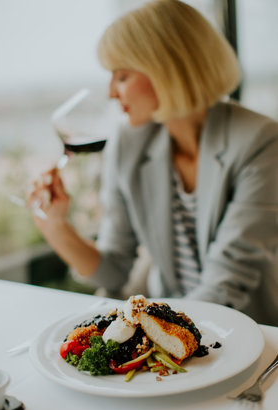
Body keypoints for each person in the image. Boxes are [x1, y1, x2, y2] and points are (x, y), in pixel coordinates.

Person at [29, 0, 278, 326]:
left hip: (244, 335)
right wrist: (57, 227)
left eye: (122, 76)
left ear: (167, 69)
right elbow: (114, 269)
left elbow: (226, 282)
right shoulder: (129, 142)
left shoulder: (261, 142)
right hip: (167, 336)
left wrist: (152, 337)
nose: (111, 93)